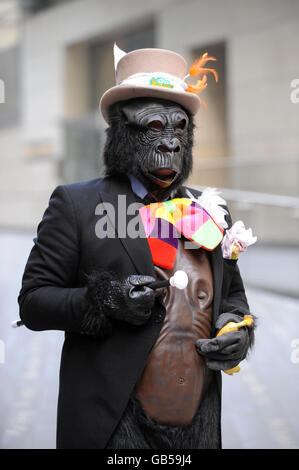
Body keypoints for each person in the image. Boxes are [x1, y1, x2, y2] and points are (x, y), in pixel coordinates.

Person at [18, 44, 255, 449]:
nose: (170, 144)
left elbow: (233, 299)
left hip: (196, 428)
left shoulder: (209, 209)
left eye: (179, 129)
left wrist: (239, 332)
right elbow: (34, 302)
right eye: (153, 127)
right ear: (120, 134)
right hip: (111, 427)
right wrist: (103, 300)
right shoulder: (77, 204)